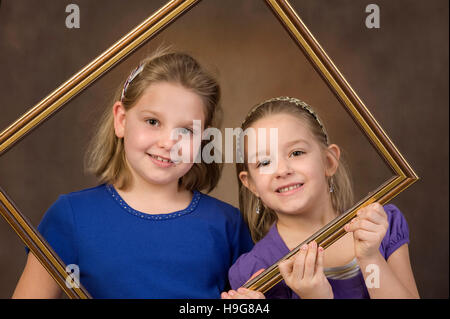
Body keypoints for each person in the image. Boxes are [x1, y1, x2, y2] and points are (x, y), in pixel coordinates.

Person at [13, 48, 253, 298]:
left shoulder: (228, 225)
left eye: (186, 131)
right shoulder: (71, 217)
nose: (168, 142)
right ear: (121, 120)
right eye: (152, 122)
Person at [221, 96, 419, 299]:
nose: (282, 170)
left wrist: (371, 258)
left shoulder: (380, 225)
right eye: (263, 162)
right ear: (251, 184)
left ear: (328, 161)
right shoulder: (255, 271)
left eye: (296, 153)